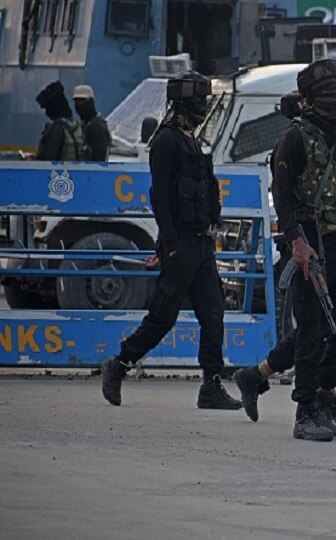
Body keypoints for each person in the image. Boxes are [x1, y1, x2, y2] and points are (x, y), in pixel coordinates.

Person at [101, 71, 241, 410]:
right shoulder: (166, 142)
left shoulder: (191, 138)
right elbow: (160, 198)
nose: (203, 108)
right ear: (182, 103)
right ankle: (119, 365)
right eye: (199, 102)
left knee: (213, 313)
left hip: (201, 243)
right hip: (181, 244)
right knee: (163, 316)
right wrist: (169, 244)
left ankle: (210, 385)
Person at [234, 89, 336, 428]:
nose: (332, 110)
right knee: (313, 328)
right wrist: (297, 241)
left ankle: (261, 376)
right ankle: (309, 404)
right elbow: (282, 194)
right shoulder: (292, 142)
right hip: (306, 242)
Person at [35, 81, 85, 161]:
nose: (47, 112)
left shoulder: (57, 128)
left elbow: (47, 160)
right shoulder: (77, 126)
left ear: (54, 107)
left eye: (47, 108)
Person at [73, 84, 112, 161]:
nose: (79, 104)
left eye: (83, 100)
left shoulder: (96, 126)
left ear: (91, 102)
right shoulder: (85, 124)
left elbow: (99, 158)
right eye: (76, 101)